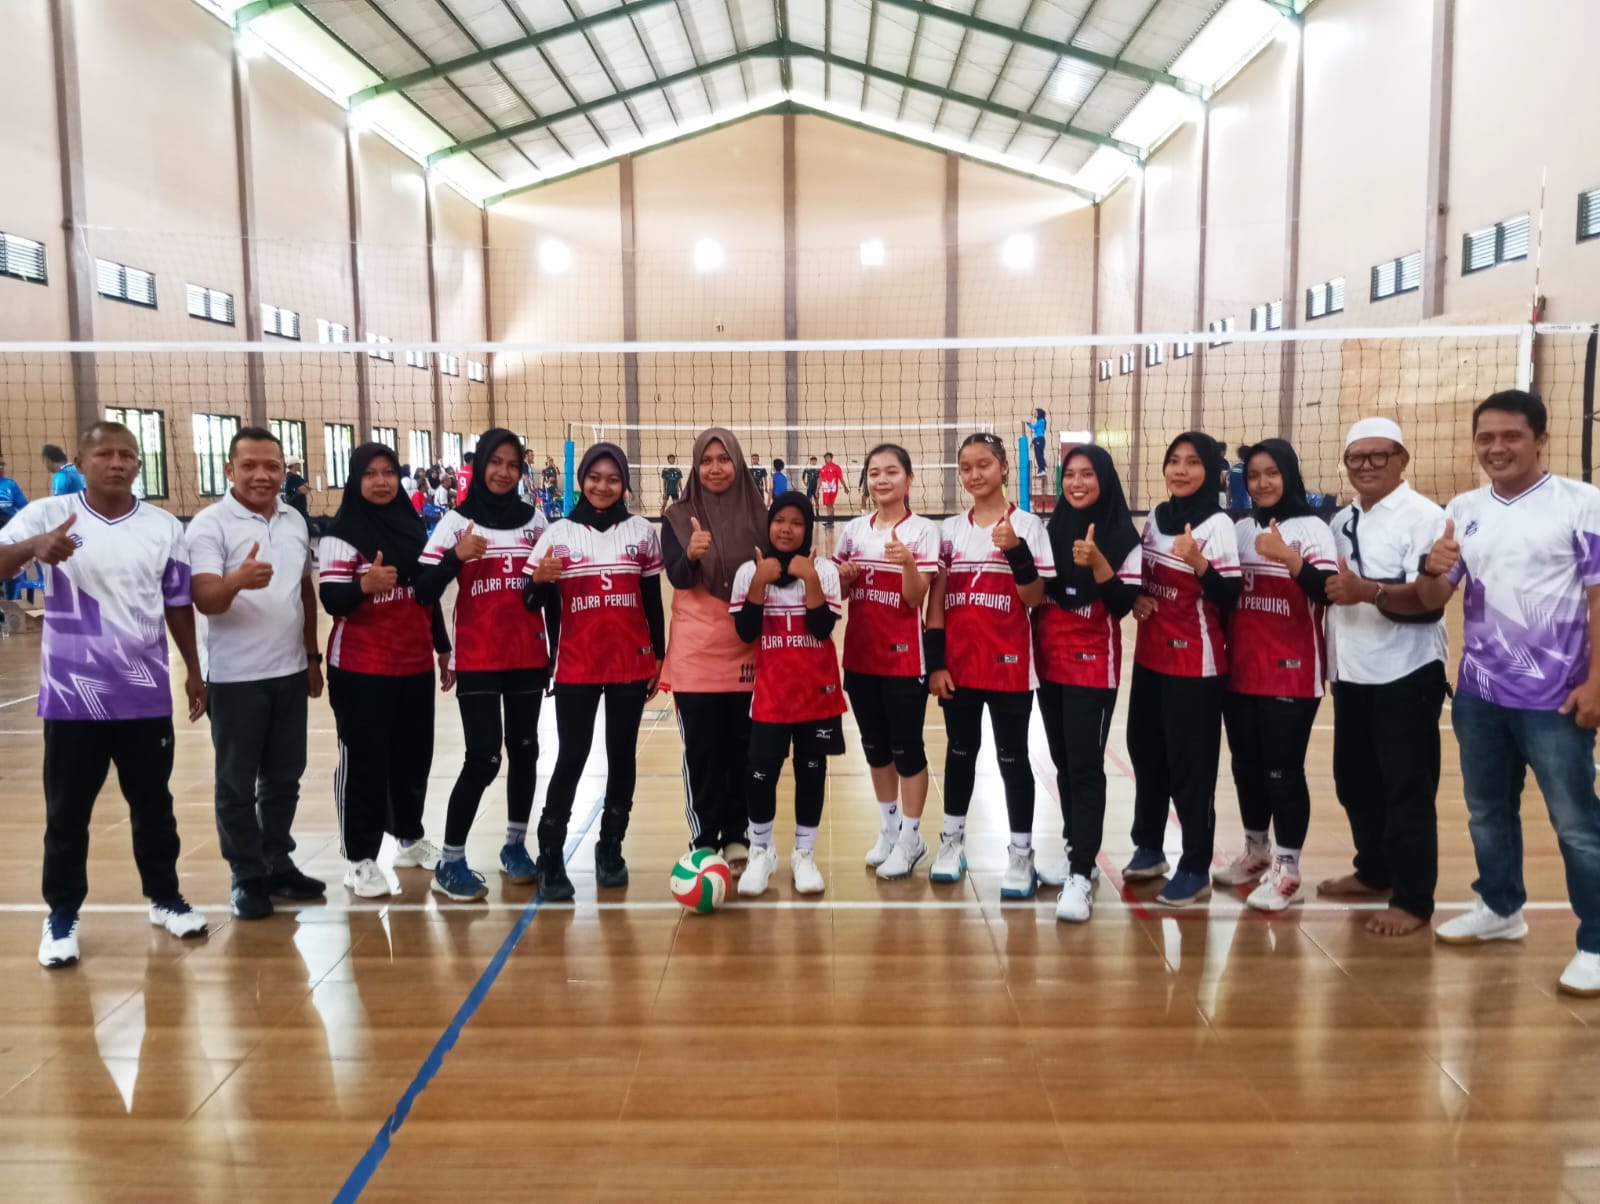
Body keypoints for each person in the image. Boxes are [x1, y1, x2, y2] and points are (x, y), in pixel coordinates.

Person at [1395, 392, 1600, 995]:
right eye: (1486, 437)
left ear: (1540, 439)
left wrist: (1598, 682)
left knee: (1576, 823)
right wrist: (1431, 568)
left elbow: (1598, 598)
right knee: (1487, 811)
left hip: (1557, 698)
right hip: (1480, 695)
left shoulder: (1582, 503)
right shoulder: (1463, 509)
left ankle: (1596, 940)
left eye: (1511, 436)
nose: (1497, 448)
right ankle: (1500, 907)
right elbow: (1434, 599)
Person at [0, 422, 209, 967]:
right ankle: (61, 914)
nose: (117, 463)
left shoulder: (163, 526)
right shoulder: (46, 514)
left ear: (138, 463)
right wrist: (33, 547)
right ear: (81, 461)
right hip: (71, 699)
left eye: (127, 455)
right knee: (67, 814)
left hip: (143, 695)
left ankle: (164, 897)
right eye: (105, 454)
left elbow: (178, 603)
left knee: (154, 806)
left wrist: (194, 670)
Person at [187, 427, 326, 920]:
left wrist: (311, 656)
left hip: (289, 671)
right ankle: (246, 876)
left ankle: (277, 862)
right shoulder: (209, 525)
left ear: (284, 470)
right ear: (230, 469)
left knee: (285, 777)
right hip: (234, 677)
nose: (262, 475)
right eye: (249, 465)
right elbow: (205, 599)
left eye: (272, 466)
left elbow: (303, 592)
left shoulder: (293, 520)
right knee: (236, 783)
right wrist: (235, 581)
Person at [1316, 417, 1447, 936]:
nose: (1366, 465)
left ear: (1402, 460)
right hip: (1351, 672)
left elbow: (1430, 600)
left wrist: (1367, 591)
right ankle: (1374, 871)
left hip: (1406, 672)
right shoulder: (1340, 520)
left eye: (1379, 455)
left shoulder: (1426, 518)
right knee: (1355, 781)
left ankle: (1413, 900)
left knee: (1407, 789)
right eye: (1356, 457)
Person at [414, 430, 555, 903]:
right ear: (480, 466)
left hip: (527, 655)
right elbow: (422, 591)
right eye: (495, 462)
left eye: (513, 465)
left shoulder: (536, 523)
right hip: (477, 657)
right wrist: (455, 557)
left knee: (526, 750)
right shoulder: (456, 522)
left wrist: (556, 649)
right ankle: (450, 860)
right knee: (484, 757)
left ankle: (514, 846)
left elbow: (547, 594)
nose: (503, 472)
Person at [525, 443, 664, 899]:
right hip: (576, 665)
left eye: (613, 478)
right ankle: (550, 855)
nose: (603, 486)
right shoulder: (558, 533)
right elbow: (530, 600)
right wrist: (539, 581)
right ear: (581, 479)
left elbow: (652, 600)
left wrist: (659, 655)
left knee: (622, 755)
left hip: (630, 662)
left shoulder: (641, 532)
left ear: (624, 484)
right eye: (595, 477)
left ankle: (610, 847)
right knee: (572, 755)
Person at [319, 442, 452, 899]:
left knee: (413, 758)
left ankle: (409, 840)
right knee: (364, 764)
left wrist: (442, 648)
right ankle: (358, 859)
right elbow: (331, 599)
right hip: (361, 668)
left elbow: (425, 593)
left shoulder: (412, 527)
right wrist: (364, 585)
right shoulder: (341, 535)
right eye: (370, 473)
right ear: (356, 480)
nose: (381, 481)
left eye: (389, 472)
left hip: (412, 663)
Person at [926, 433, 1054, 895]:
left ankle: (1021, 853)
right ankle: (951, 842)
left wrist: (1015, 550)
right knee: (960, 753)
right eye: (966, 467)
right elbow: (936, 604)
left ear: (1003, 467)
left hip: (1010, 666)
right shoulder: (948, 531)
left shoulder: (1029, 526)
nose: (974, 474)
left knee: (1012, 757)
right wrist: (935, 663)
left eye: (983, 464)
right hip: (958, 667)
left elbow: (1034, 598)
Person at [1216, 439, 1338, 912]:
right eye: (1254, 475)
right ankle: (1257, 852)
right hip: (1242, 669)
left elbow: (1327, 591)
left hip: (1292, 671)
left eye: (1271, 473)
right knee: (1246, 768)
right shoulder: (1239, 529)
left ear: (1288, 474)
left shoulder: (1313, 528)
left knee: (1282, 772)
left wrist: (1288, 557)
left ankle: (1288, 869)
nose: (1262, 483)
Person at [1123, 432, 1242, 907]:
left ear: (1210, 471)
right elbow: (1143, 577)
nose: (1181, 470)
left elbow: (1230, 596)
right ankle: (1149, 848)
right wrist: (1138, 598)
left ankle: (1195, 866)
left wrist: (1199, 564)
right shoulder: (1156, 517)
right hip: (1150, 658)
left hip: (1196, 664)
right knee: (1146, 753)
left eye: (1193, 462)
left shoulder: (1218, 524)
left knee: (1190, 768)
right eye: (1174, 460)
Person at [1034, 444, 1142, 922]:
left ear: (1104, 479)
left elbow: (1122, 605)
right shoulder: (1051, 530)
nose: (1077, 483)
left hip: (1093, 667)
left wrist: (1098, 562)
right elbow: (1035, 590)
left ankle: (1081, 872)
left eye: (1087, 474)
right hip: (1048, 664)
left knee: (1084, 767)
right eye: (1070, 475)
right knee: (1063, 764)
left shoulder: (1122, 536)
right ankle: (1075, 849)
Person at [661, 427, 768, 870]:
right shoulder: (677, 516)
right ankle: (704, 837)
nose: (715, 468)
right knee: (703, 752)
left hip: (747, 650)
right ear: (695, 466)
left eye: (724, 459)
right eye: (706, 460)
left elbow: (780, 576)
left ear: (738, 463)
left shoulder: (762, 516)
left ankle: (738, 834)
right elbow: (676, 575)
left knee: (743, 749)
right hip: (696, 655)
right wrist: (691, 555)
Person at [730, 493, 846, 896]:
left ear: (807, 529)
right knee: (759, 772)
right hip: (771, 694)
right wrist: (759, 582)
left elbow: (821, 628)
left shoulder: (824, 571)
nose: (787, 529)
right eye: (780, 520)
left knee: (811, 770)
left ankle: (804, 854)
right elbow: (745, 632)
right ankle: (761, 851)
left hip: (816, 692)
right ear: (768, 525)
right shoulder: (750, 571)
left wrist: (809, 578)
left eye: (797, 523)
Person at [833, 445, 938, 879]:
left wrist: (908, 563)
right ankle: (890, 829)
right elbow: (838, 593)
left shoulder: (923, 531)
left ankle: (912, 838)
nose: (881, 479)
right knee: (875, 749)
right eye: (874, 472)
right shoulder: (854, 531)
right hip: (860, 658)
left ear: (908, 479)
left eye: (891, 472)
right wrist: (843, 578)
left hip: (905, 661)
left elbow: (915, 598)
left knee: (906, 749)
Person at [0, 453, 27, 603]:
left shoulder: (10, 484)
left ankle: (12, 604)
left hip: (8, 531)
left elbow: (24, 507)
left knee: (12, 569)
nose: (1, 467)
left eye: (2, 464)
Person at [282, 458, 310, 523]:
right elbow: (305, 490)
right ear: (294, 465)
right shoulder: (293, 477)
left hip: (293, 506)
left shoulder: (288, 476)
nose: (300, 466)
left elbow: (306, 488)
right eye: (299, 464)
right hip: (298, 507)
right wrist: (303, 488)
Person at [1024, 409, 1048, 479]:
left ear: (1039, 413)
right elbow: (1036, 433)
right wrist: (1033, 442)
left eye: (1036, 413)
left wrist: (1028, 424)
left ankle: (1043, 469)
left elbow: (1033, 427)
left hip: (1040, 439)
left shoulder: (1042, 421)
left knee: (1039, 455)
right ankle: (1041, 469)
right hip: (1038, 439)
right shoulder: (1039, 421)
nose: (1035, 414)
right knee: (1038, 455)